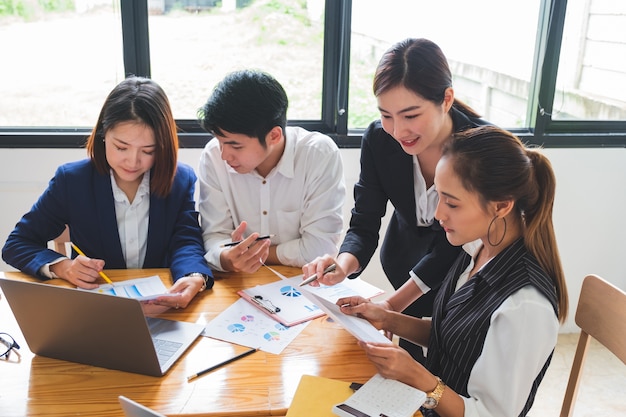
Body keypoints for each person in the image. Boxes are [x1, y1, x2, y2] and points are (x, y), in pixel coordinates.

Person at [337, 125, 569, 417]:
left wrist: (418, 377)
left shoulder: (524, 307)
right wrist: (387, 318)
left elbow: (490, 414)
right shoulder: (477, 249)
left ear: (501, 206)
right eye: (439, 196)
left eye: (452, 203)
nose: (438, 214)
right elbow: (452, 337)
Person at [302, 38, 489, 360]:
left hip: (461, 280)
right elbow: (365, 220)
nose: (398, 130)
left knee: (452, 372)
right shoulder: (378, 139)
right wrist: (342, 264)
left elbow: (453, 248)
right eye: (386, 115)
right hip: (403, 265)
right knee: (411, 368)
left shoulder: (481, 148)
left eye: (410, 115)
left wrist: (390, 307)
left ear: (446, 99)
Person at [2, 76, 213, 311]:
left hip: (162, 307)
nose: (133, 161)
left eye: (148, 150)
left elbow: (186, 241)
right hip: (96, 309)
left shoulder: (180, 180)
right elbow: (17, 244)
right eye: (121, 147)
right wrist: (63, 266)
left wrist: (195, 276)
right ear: (103, 134)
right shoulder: (73, 181)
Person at [197, 69, 345, 273]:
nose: (224, 155)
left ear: (274, 136)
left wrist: (253, 254)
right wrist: (226, 257)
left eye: (236, 146)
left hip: (301, 282)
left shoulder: (318, 155)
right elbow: (214, 235)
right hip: (237, 281)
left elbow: (319, 249)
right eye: (219, 141)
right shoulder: (213, 156)